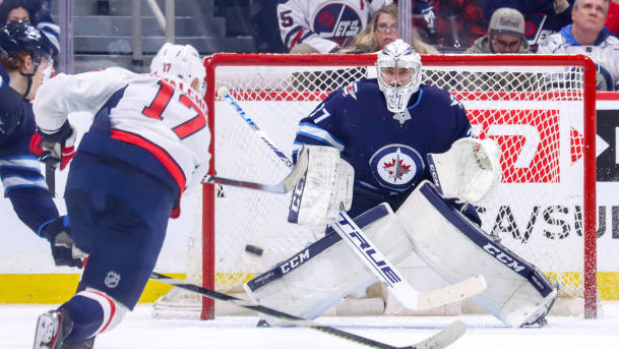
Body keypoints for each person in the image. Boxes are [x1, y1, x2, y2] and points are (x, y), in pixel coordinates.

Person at [244, 39, 558, 328]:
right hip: (362, 197)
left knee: (466, 248)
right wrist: (312, 168)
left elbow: (464, 160)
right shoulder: (352, 97)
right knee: (338, 260)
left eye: (403, 72)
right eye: (390, 71)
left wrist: (465, 203)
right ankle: (278, 308)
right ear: (378, 71)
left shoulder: (444, 107)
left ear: (417, 73)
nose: (396, 79)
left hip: (422, 199)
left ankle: (526, 304)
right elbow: (312, 134)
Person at [30, 42, 210, 349]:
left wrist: (55, 135)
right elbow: (187, 186)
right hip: (147, 188)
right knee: (112, 301)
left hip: (90, 167)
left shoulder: (125, 80)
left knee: (99, 248)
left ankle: (76, 234)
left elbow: (49, 94)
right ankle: (65, 320)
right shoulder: (200, 125)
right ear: (195, 81)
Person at [0, 21, 81, 268]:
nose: (48, 73)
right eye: (45, 63)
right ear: (27, 62)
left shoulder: (22, 119)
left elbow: (25, 187)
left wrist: (56, 229)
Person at [537, 0, 619, 91]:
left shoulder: (617, 50)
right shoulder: (551, 47)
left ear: (605, 19)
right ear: (574, 14)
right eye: (587, 7)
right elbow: (550, 98)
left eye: (599, 9)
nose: (593, 12)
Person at [276, 0, 393, 53]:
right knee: (300, 52)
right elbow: (294, 34)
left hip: (362, 57)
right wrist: (332, 50)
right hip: (319, 62)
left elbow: (389, 16)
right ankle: (307, 102)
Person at [339, 3, 439, 54]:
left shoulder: (423, 54)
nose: (388, 31)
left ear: (405, 30)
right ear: (374, 31)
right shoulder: (358, 57)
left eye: (395, 27)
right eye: (382, 26)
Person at [483, 0, 575, 50]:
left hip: (557, 56)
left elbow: (579, 29)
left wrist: (563, 6)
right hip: (515, 55)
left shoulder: (573, 5)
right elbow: (492, 20)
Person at [465, 7, 531, 53]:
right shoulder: (471, 59)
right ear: (489, 34)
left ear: (521, 40)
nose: (507, 50)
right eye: (501, 43)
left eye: (513, 44)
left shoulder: (532, 64)